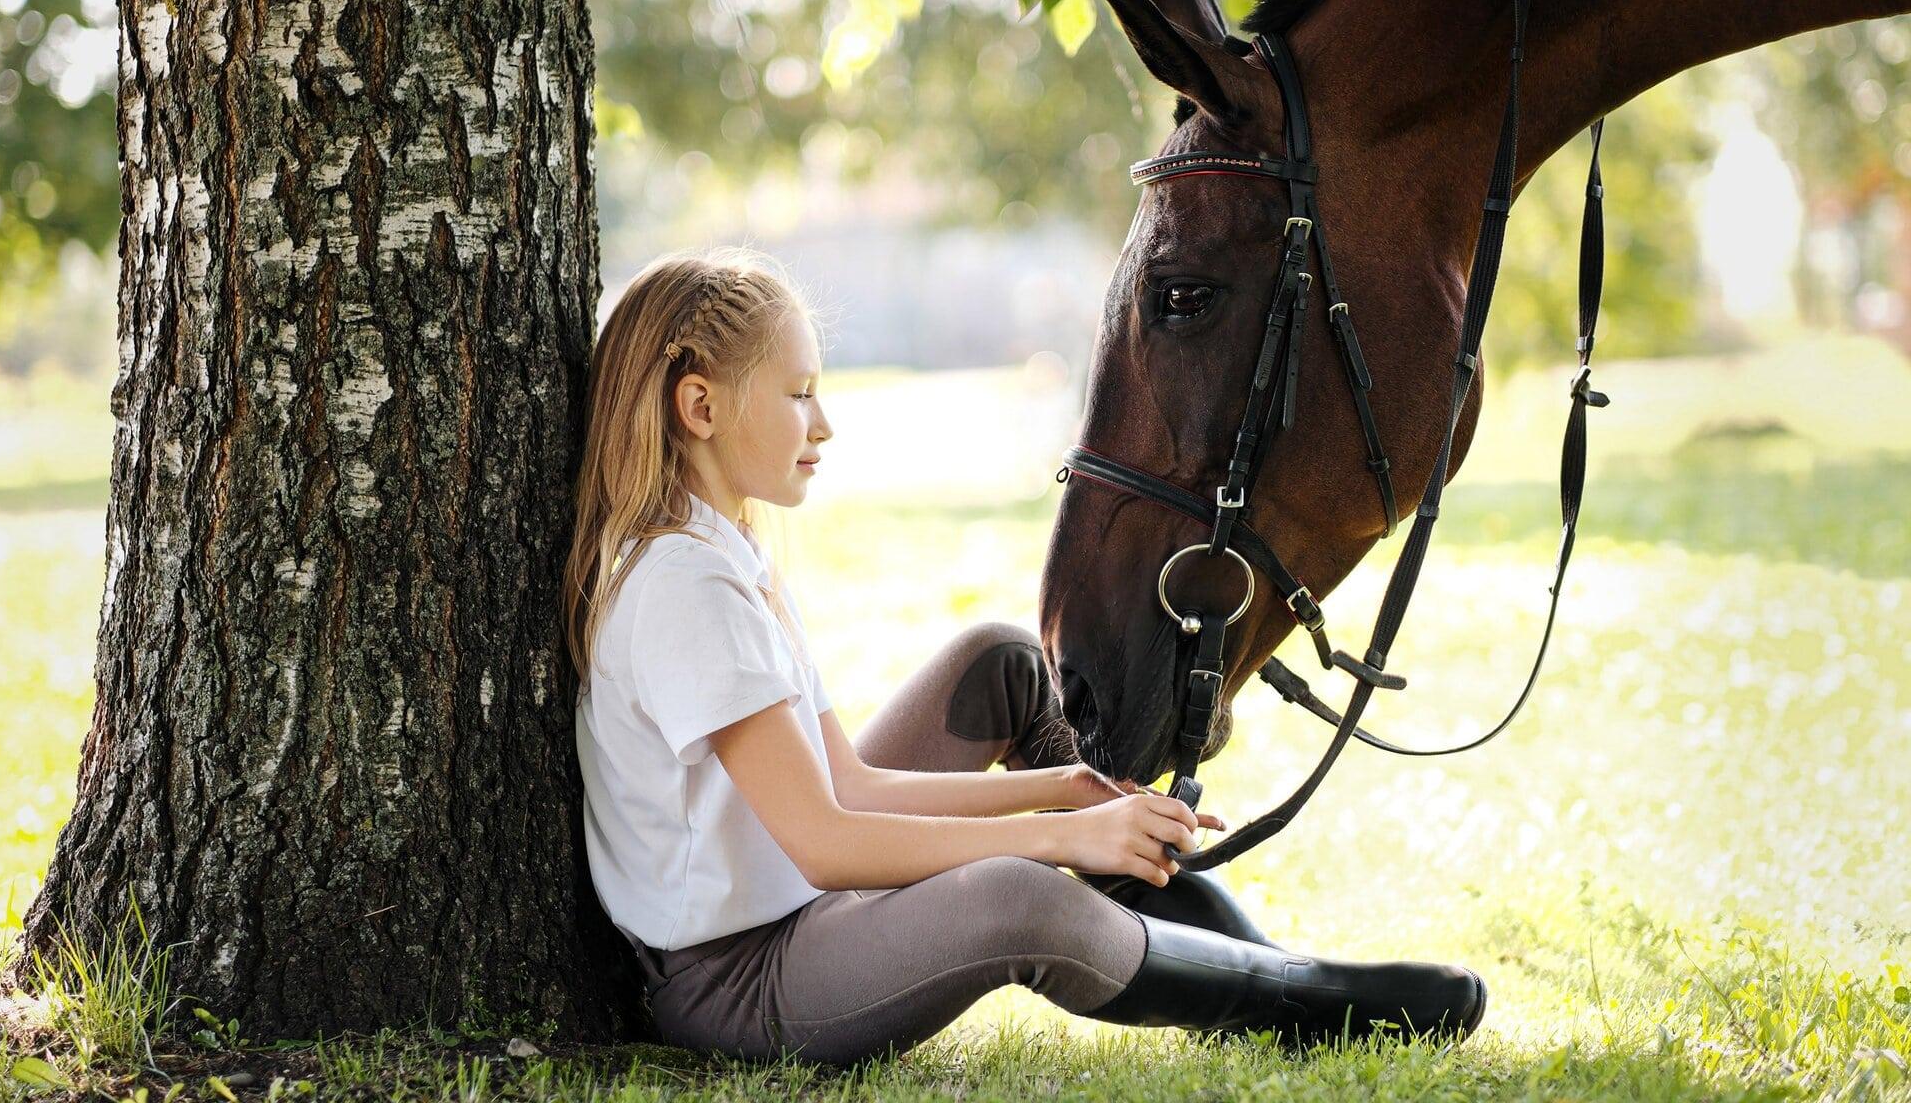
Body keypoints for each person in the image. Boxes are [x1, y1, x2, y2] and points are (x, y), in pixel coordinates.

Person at [562, 247, 1486, 1067]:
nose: (824, 422)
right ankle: (1288, 999)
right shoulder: (686, 588)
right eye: (799, 392)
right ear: (700, 406)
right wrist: (1055, 837)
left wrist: (1064, 789)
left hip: (796, 906)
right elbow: (828, 841)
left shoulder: (727, 548)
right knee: (1018, 897)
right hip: (738, 976)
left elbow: (848, 784)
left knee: (1001, 661)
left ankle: (1255, 960)